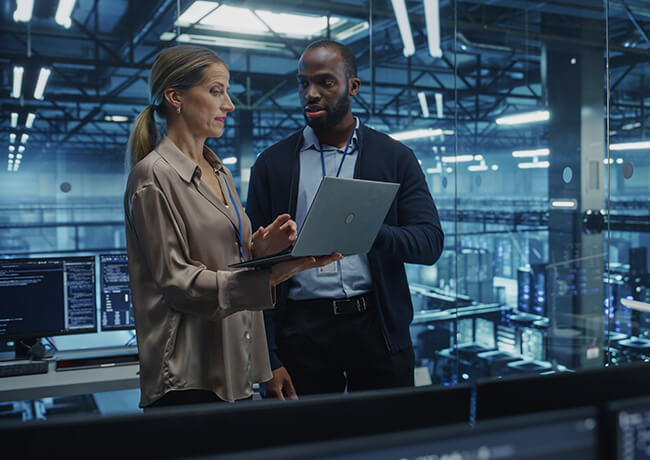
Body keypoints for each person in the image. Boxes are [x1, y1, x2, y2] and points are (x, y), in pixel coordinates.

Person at [124, 45, 340, 409]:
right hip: (187, 378)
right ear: (175, 96)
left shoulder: (218, 171)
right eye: (216, 91)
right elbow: (180, 285)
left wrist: (261, 252)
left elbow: (222, 260)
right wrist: (279, 273)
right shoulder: (153, 179)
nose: (229, 105)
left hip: (234, 364)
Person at [246, 40, 444, 399]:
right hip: (302, 332)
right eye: (303, 83)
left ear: (353, 86)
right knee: (311, 446)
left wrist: (367, 231)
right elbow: (256, 269)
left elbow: (429, 243)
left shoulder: (395, 158)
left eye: (325, 82)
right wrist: (268, 357)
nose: (311, 93)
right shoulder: (272, 165)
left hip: (377, 327)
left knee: (386, 443)